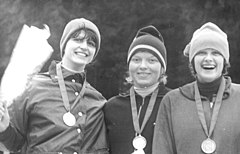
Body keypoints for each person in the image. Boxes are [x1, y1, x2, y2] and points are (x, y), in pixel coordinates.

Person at [0, 18, 109, 154]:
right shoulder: (33, 86)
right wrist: (4, 129)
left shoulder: (99, 101)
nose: (84, 46)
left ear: (94, 54)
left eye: (91, 43)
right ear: (64, 45)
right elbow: (15, 144)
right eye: (77, 40)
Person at [152, 22, 240, 154]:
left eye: (216, 53)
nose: (208, 58)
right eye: (201, 53)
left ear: (224, 61)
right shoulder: (172, 101)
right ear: (192, 61)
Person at [104, 25, 170, 154]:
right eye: (136, 60)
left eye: (151, 60)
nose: (143, 66)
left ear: (162, 68)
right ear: (129, 66)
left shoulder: (173, 102)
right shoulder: (111, 107)